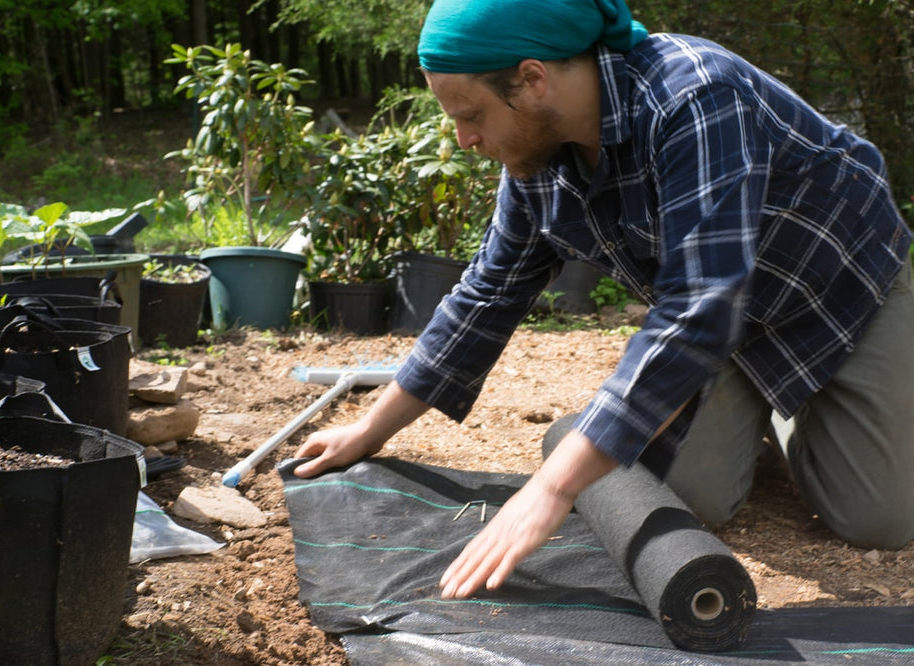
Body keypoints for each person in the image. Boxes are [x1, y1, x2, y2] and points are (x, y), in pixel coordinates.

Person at [294, 0, 914, 601]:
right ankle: (747, 405)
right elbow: (487, 293)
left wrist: (553, 487)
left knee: (878, 520)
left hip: (843, 289)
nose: (463, 138)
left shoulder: (695, 96)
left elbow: (698, 305)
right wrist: (369, 429)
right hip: (726, 319)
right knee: (689, 494)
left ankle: (790, 408)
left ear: (532, 80)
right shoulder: (538, 162)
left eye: (470, 114)